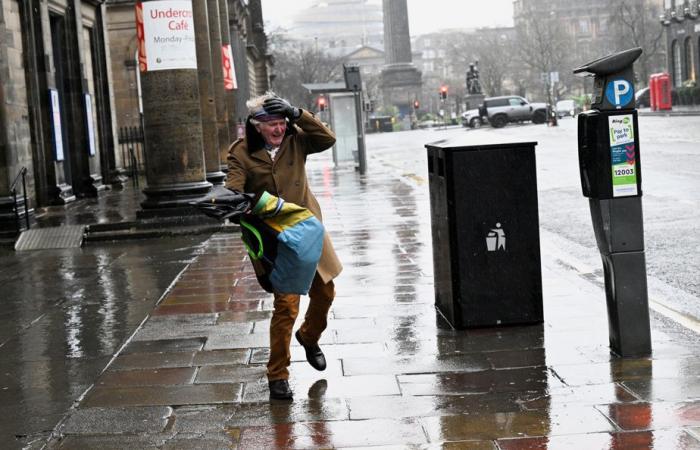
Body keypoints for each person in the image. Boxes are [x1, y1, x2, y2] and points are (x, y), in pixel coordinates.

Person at [225, 92, 343, 400]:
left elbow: (327, 138)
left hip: (307, 229)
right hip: (277, 238)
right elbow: (233, 187)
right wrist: (236, 203)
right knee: (286, 306)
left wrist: (297, 113)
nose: (278, 129)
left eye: (281, 122)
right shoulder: (241, 152)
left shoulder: (297, 139)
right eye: (271, 124)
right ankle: (278, 375)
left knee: (325, 293)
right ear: (256, 126)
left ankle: (309, 336)